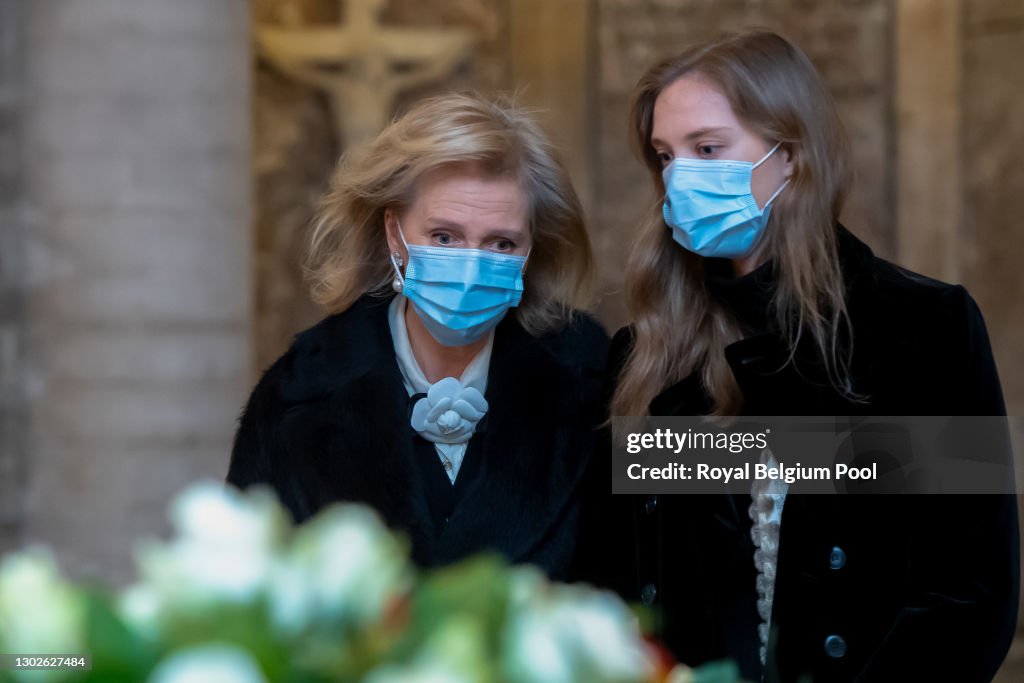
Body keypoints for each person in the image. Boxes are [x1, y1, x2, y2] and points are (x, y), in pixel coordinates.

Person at [582, 30, 1019, 682]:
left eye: (707, 148)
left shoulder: (925, 328)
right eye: (664, 155)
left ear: (788, 155)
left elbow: (972, 591)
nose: (680, 177)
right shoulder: (645, 355)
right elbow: (619, 593)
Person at [228, 93, 608, 580]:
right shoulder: (296, 396)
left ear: (531, 248)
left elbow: (723, 477)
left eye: (501, 243)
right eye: (445, 236)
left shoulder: (595, 377)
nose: (471, 265)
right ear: (394, 234)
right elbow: (238, 594)